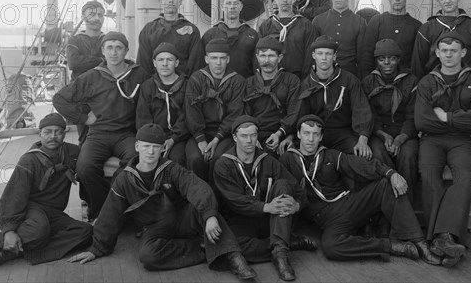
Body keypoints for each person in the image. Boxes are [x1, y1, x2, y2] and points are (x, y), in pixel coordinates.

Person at [67, 123, 257, 280]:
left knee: (205, 211)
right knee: (148, 256)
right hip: (154, 226)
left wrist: (209, 216)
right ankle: (207, 250)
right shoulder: (125, 178)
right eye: (146, 146)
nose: (151, 152)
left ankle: (234, 257)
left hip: (181, 217)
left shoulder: (171, 168)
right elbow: (110, 213)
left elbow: (197, 187)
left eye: (156, 147)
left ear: (162, 149)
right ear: (137, 147)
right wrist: (97, 248)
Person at [279, 115, 441, 265]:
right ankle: (390, 246)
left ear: (321, 137)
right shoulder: (288, 159)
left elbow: (360, 165)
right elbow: (286, 186)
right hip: (328, 219)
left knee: (385, 184)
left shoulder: (331, 155)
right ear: (298, 135)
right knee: (331, 247)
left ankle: (419, 241)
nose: (310, 139)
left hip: (350, 204)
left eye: (315, 134)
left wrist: (391, 173)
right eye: (306, 133)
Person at [0, 114, 92, 270]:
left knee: (86, 232)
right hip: (31, 208)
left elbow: (90, 163)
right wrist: (8, 230)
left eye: (58, 132)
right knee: (39, 230)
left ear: (65, 133)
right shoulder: (28, 161)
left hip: (53, 212)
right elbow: (13, 197)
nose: (53, 136)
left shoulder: (72, 153)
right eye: (48, 132)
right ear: (40, 133)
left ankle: (16, 251)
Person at [53, 31, 149, 220]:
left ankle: (118, 206)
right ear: (103, 51)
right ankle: (101, 212)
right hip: (99, 134)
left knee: (134, 164)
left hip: (127, 134)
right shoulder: (92, 76)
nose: (114, 53)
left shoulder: (139, 74)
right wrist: (83, 118)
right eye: (110, 48)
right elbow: (60, 100)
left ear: (126, 51)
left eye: (119, 48)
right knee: (85, 168)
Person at [213, 116, 317, 281]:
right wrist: (266, 207)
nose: (249, 140)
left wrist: (297, 205)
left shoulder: (268, 160)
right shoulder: (223, 164)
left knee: (283, 185)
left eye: (253, 135)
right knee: (228, 248)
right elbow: (235, 201)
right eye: (243, 136)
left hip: (271, 219)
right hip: (242, 219)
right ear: (234, 137)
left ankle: (281, 257)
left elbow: (297, 189)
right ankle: (286, 243)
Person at [415, 31, 471, 268]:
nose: (448, 55)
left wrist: (447, 117)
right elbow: (422, 121)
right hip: (431, 140)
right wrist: (461, 118)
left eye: (453, 50)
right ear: (437, 53)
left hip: (461, 141)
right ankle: (442, 239)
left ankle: (445, 237)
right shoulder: (427, 81)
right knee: (428, 175)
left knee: (464, 174)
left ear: (463, 53)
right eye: (444, 51)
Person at [284, 36, 374, 159]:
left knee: (361, 156)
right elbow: (299, 115)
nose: (324, 58)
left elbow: (361, 110)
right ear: (314, 55)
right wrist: (290, 136)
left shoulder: (349, 80)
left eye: (328, 54)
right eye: (320, 54)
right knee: (293, 156)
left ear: (334, 56)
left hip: (344, 133)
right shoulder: (306, 84)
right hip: (315, 135)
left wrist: (362, 140)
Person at [361, 39, 419, 204]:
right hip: (378, 133)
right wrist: (383, 135)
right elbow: (368, 115)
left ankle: (405, 206)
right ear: (376, 61)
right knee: (377, 153)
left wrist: (401, 139)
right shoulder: (368, 83)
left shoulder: (412, 81)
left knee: (408, 155)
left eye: (392, 58)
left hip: (405, 133)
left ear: (399, 60)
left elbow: (413, 115)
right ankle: (383, 209)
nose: (387, 63)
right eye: (381, 59)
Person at [185, 38, 246, 182]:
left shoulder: (237, 81)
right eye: (214, 58)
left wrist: (216, 140)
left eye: (222, 58)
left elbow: (234, 113)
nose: (218, 63)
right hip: (199, 133)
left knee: (218, 159)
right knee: (195, 159)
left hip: (224, 134)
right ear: (206, 59)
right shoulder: (196, 79)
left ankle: (218, 199)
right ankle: (198, 199)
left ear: (228, 59)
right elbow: (191, 111)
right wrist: (200, 140)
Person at [411, 0, 471, 85]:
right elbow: (418, 65)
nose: (447, 1)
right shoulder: (426, 29)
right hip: (435, 87)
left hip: (467, 87)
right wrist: (421, 91)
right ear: (436, 0)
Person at [243, 36, 302, 156]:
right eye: (263, 56)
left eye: (271, 56)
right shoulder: (249, 83)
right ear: (257, 57)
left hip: (282, 132)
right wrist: (252, 138)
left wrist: (281, 134)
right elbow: (245, 114)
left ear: (279, 58)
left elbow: (294, 112)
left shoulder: (291, 81)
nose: (266, 61)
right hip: (255, 133)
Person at [136, 42, 190, 167]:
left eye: (169, 60)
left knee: (176, 158)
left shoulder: (187, 85)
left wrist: (173, 139)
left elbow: (188, 116)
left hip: (178, 137)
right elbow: (142, 117)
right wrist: (154, 140)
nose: (165, 64)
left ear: (176, 63)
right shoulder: (147, 86)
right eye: (160, 60)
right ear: (154, 63)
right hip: (153, 137)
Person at [137, 0, 204, 77]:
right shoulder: (148, 30)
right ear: (160, 1)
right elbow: (143, 63)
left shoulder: (192, 30)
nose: (171, 1)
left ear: (180, 1)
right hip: (154, 86)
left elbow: (195, 64)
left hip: (184, 86)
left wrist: (188, 86)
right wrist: (150, 86)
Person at [360, 0, 422, 78]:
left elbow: (417, 60)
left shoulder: (416, 26)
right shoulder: (376, 22)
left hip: (406, 83)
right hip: (378, 82)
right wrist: (367, 81)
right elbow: (367, 55)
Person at [258, 0, 317, 79]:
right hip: (272, 79)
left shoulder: (306, 25)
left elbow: (309, 58)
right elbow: (259, 56)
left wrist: (304, 83)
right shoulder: (266, 26)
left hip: (298, 79)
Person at [66, 0, 106, 146]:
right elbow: (73, 63)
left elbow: (112, 64)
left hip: (104, 94)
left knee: (104, 136)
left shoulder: (107, 40)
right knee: (84, 139)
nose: (97, 18)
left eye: (100, 15)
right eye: (92, 14)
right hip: (81, 96)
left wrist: (86, 60)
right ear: (83, 18)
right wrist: (100, 60)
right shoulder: (75, 39)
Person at [312, 0, 367, 77]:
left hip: (350, 76)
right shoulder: (318, 21)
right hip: (324, 76)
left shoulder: (360, 22)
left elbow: (362, 58)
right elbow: (313, 54)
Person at [202, 0, 259, 78]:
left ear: (241, 6)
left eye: (236, 3)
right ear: (222, 6)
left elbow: (256, 67)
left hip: (245, 87)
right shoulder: (210, 35)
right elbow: (203, 66)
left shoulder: (252, 35)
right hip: (217, 88)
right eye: (228, 3)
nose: (232, 7)